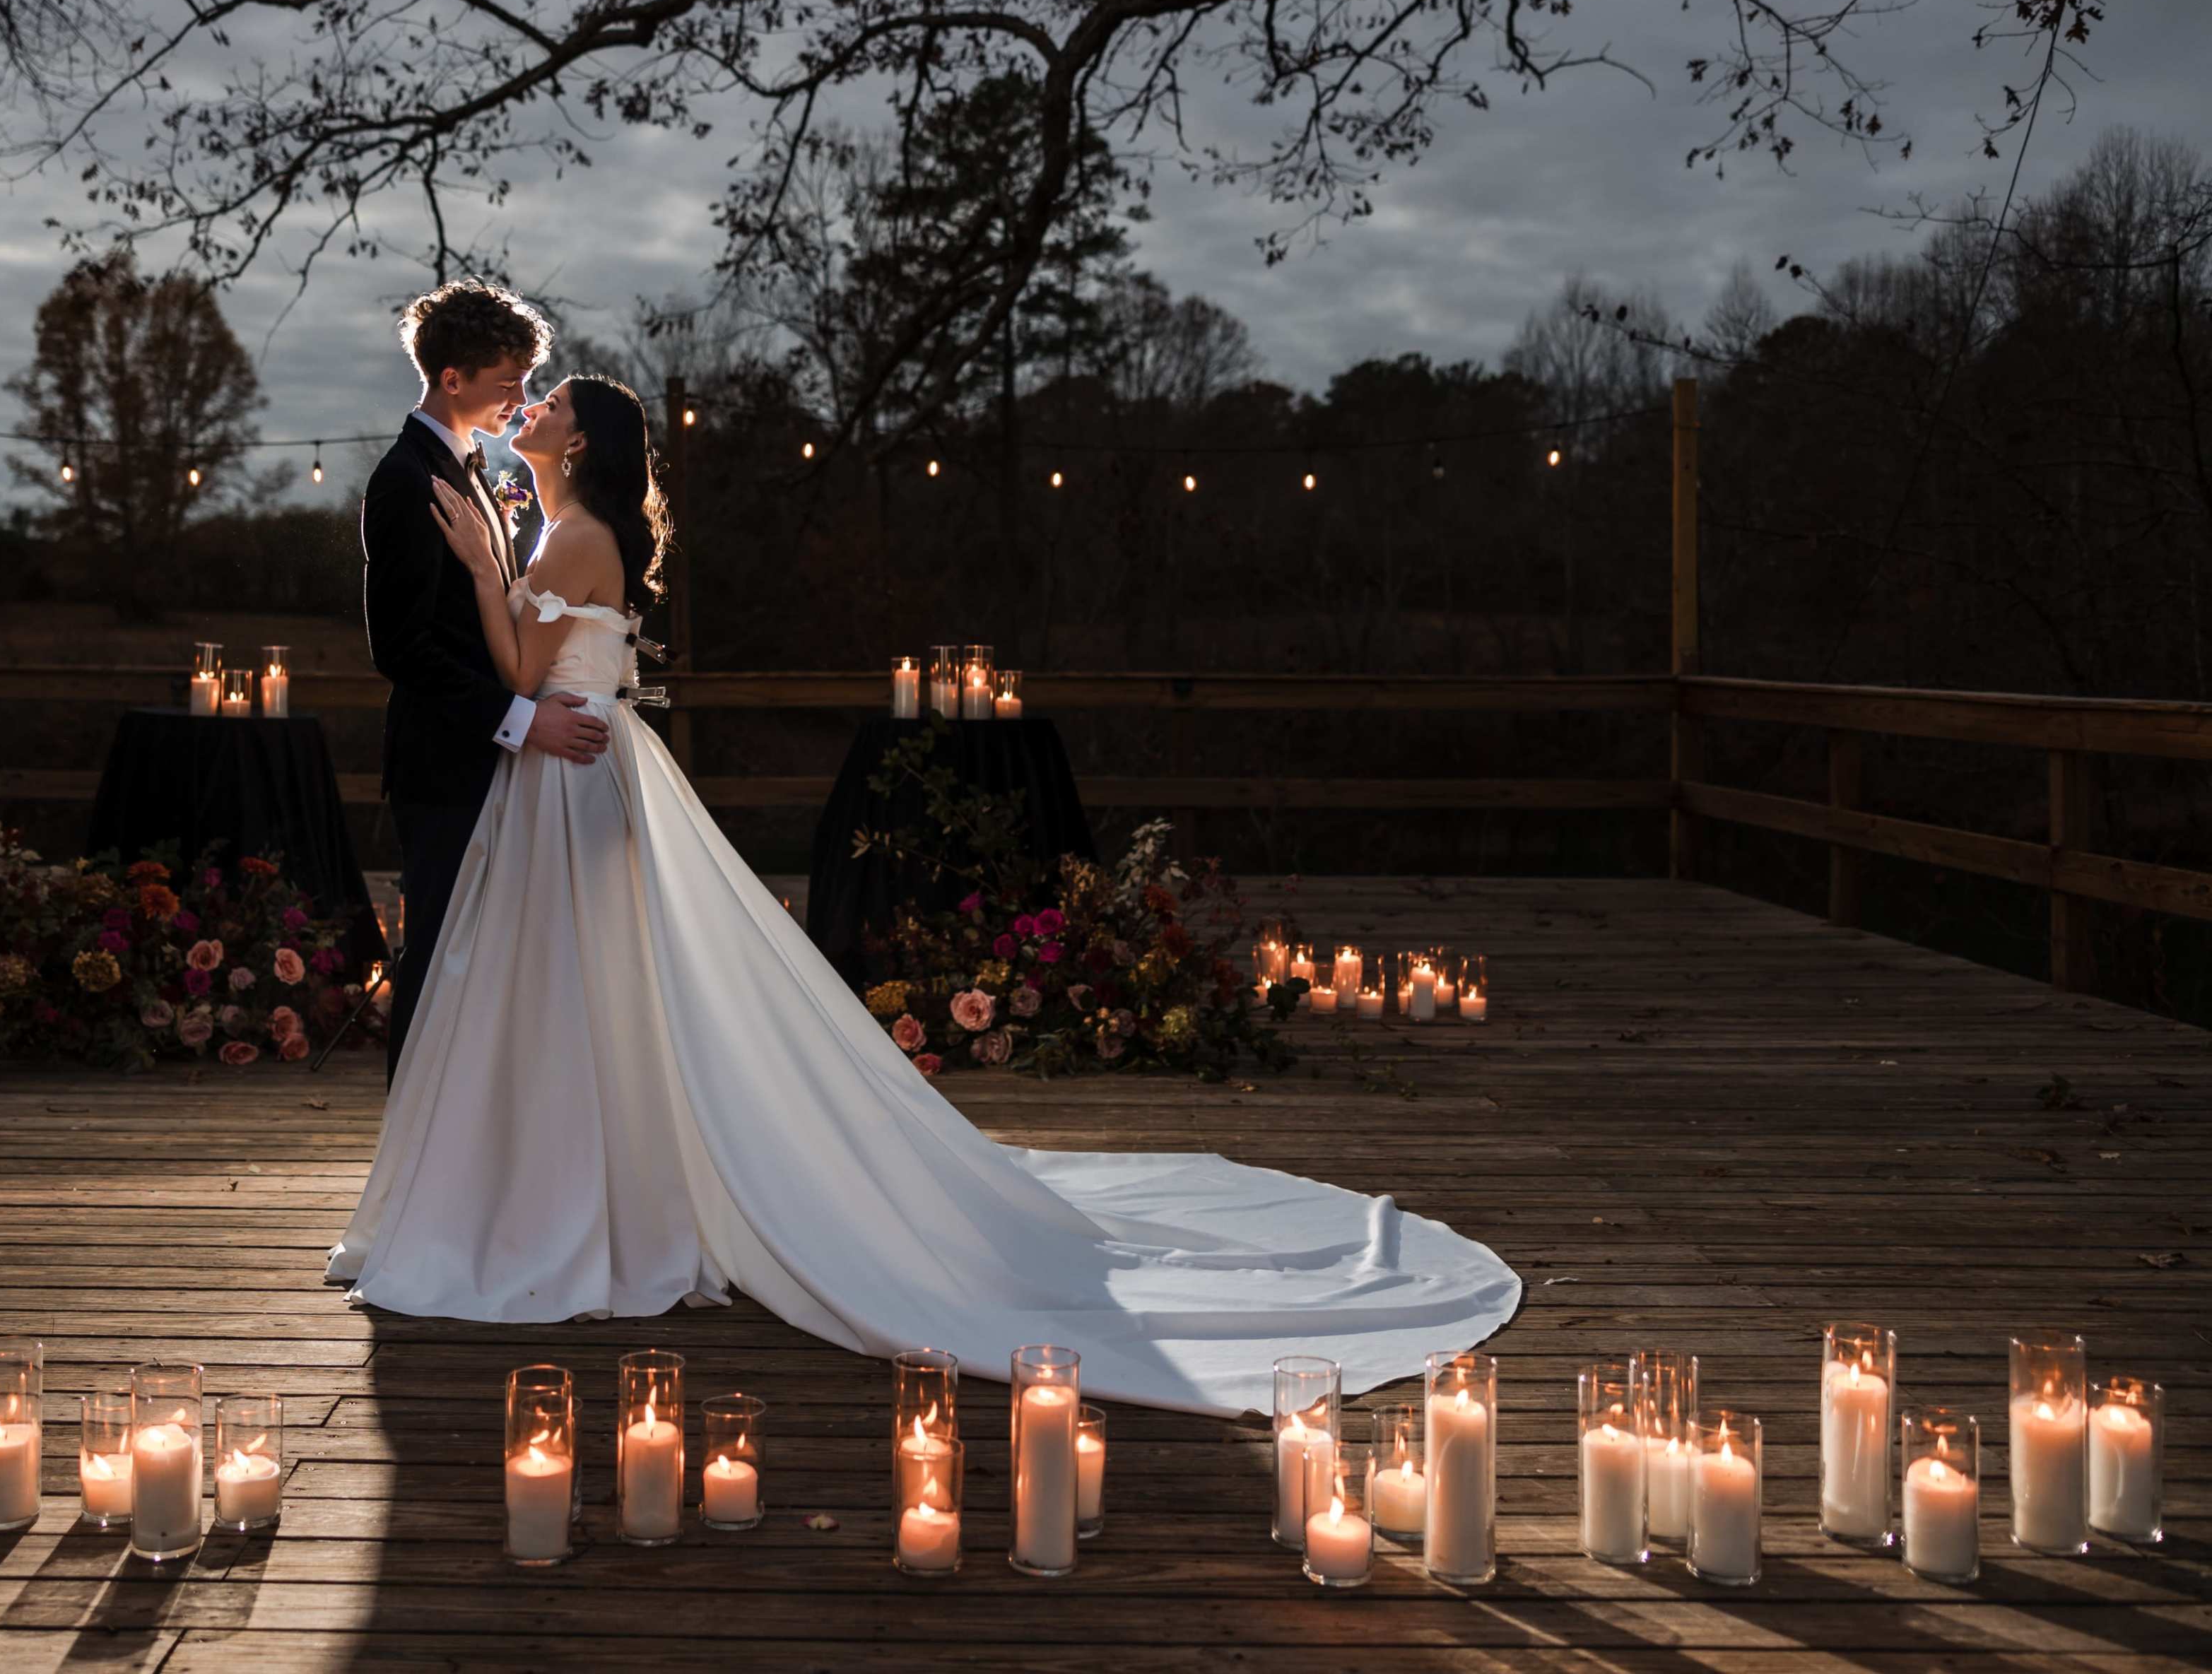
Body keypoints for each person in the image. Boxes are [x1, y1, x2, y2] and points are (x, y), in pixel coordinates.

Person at [330, 362, 1519, 1417]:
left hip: (573, 778)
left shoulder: (573, 535)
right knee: (576, 997)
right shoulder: (568, 524)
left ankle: (583, 1206)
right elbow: (530, 671)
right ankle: (576, 1188)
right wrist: (503, 566)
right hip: (567, 776)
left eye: (550, 404)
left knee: (582, 994)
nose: (530, 409)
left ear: (579, 442)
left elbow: (524, 669)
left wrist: (490, 570)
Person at [360, 281, 610, 1080]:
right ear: (452, 378)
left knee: (483, 966)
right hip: (444, 762)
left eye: (529, 383)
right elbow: (402, 648)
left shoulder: (468, 467)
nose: (522, 400)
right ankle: (411, 1150)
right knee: (436, 959)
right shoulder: (406, 479)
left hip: (491, 763)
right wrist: (521, 720)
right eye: (509, 384)